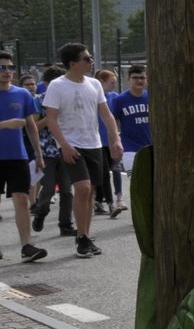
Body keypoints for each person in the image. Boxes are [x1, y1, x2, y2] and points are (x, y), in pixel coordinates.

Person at [42, 44, 122, 258]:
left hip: (93, 143)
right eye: (86, 59)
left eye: (90, 58)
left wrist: (115, 139)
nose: (91, 62)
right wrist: (64, 145)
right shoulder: (57, 86)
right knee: (84, 188)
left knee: (92, 192)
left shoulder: (94, 84)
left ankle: (85, 236)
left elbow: (106, 115)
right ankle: (81, 237)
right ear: (73, 63)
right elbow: (51, 119)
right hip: (71, 145)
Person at [0, 51, 48, 262]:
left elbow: (31, 126)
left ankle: (27, 246)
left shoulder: (22, 94)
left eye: (10, 67)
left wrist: (38, 154)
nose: (7, 72)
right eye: (2, 68)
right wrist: (6, 125)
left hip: (18, 156)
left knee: (22, 199)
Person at [30, 65, 75, 238]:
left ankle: (66, 224)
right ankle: (40, 213)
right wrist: (50, 118)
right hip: (46, 152)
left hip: (65, 150)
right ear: (47, 84)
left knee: (66, 190)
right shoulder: (38, 100)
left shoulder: (66, 99)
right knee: (48, 189)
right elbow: (33, 127)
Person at [109, 64, 152, 217]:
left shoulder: (152, 97)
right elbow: (111, 121)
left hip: (151, 147)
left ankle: (150, 214)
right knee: (137, 184)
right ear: (128, 79)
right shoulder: (120, 100)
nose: (139, 81)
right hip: (130, 149)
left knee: (152, 184)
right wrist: (114, 143)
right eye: (135, 78)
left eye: (142, 77)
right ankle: (139, 215)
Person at [94, 69, 120, 215]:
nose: (114, 85)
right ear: (101, 82)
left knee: (114, 169)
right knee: (104, 173)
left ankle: (104, 200)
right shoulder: (93, 96)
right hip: (97, 140)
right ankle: (109, 203)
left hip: (111, 140)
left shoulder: (114, 97)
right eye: (112, 82)